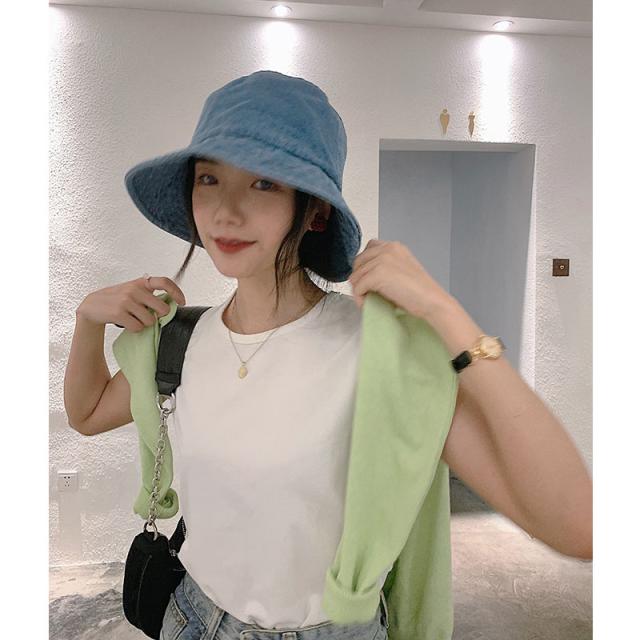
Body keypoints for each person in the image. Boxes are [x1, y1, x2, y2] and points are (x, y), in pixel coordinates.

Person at [63, 70, 592, 640]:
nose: (225, 211)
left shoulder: (376, 354)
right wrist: (87, 320)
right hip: (191, 619)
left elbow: (578, 525)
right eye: (208, 178)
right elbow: (87, 413)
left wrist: (446, 314)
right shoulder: (182, 340)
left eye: (264, 183)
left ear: (314, 212)